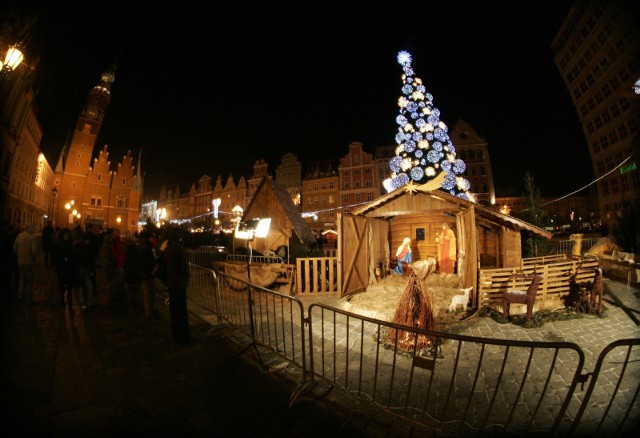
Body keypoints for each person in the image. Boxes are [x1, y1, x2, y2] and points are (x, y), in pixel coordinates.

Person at [162, 226, 191, 344]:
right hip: (179, 283)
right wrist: (187, 275)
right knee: (181, 310)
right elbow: (184, 268)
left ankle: (175, 333)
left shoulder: (167, 248)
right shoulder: (180, 249)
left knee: (173, 309)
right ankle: (183, 336)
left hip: (171, 282)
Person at [53, 227, 78, 314]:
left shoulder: (71, 245)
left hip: (70, 269)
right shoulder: (58, 245)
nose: (66, 236)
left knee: (70, 288)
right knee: (62, 287)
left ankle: (70, 306)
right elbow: (55, 257)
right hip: (62, 269)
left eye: (67, 235)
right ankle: (62, 300)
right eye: (65, 235)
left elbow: (74, 257)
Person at [13, 223, 38, 306]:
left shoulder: (20, 236)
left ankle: (20, 296)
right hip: (29, 262)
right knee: (29, 281)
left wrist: (19, 255)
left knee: (22, 279)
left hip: (20, 261)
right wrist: (34, 258)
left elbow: (14, 248)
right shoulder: (32, 238)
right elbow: (34, 251)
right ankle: (29, 299)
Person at [138, 230, 158, 318]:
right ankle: (149, 311)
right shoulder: (146, 247)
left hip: (147, 273)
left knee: (149, 292)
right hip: (148, 273)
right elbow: (147, 261)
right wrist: (151, 270)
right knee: (150, 293)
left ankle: (149, 310)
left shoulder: (144, 246)